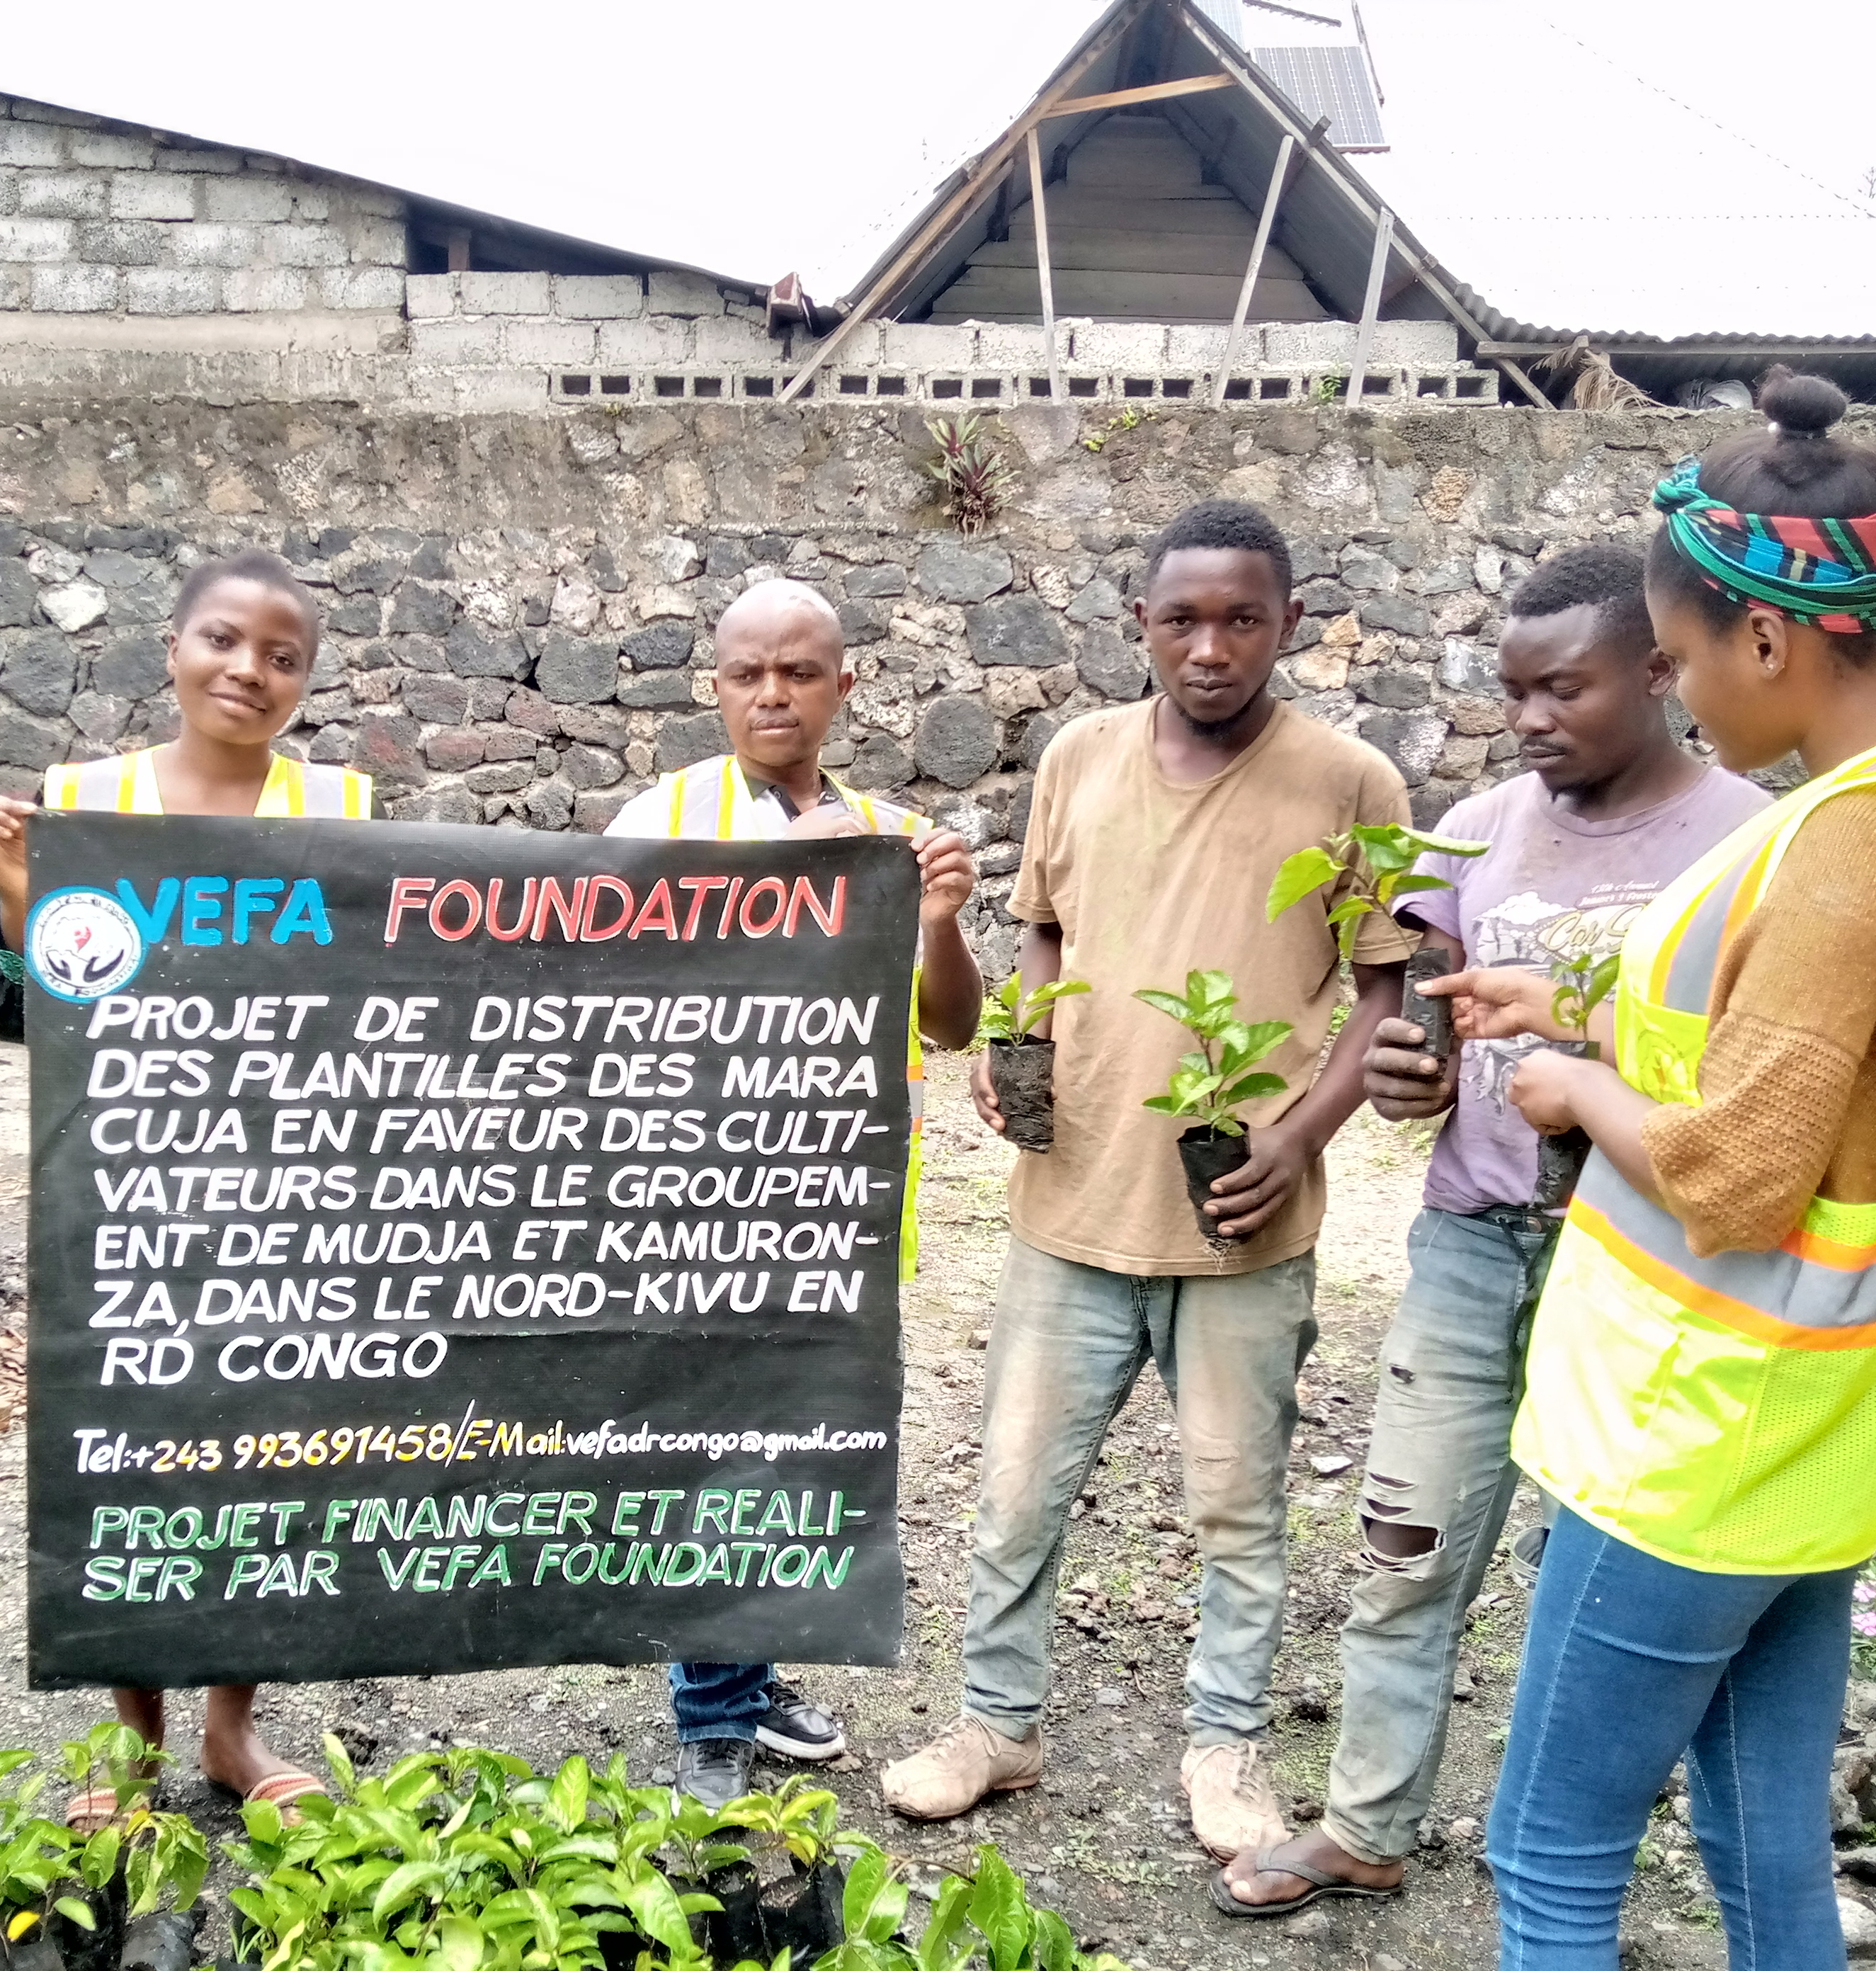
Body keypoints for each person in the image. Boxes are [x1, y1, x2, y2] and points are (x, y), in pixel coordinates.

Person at [1433, 370, 1876, 1971]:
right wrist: (1581, 1004)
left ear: (1772, 635)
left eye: (1688, 660)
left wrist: (1564, 1095)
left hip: (1705, 1440)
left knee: (1551, 1858)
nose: (1683, 697)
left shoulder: (1855, 838)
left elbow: (1738, 1163)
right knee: (1768, 1862)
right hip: (1830, 1441)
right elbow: (1814, 1051)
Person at [1213, 542, 1771, 1919]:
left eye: (1562, 690)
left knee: (1592, 1570)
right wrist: (1407, 1075)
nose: (1530, 721)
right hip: (1471, 1247)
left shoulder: (1746, 843)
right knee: (1407, 1537)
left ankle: (1583, 1850)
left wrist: (1589, 1055)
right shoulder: (1475, 828)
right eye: (1513, 694)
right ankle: (1363, 1822)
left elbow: (1761, 1084)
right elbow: (1413, 1032)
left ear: (1656, 672)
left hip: (1646, 1263)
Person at [882, 499, 1416, 1863]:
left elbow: (1382, 1004)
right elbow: (1047, 944)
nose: (1213, 646)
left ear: (1290, 623)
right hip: (1075, 1200)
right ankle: (998, 1727)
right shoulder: (1078, 759)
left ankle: (1227, 1745)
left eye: (1245, 618)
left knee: (1237, 1503)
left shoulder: (1352, 784)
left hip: (1244, 1210)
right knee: (1014, 1490)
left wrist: (1295, 1144)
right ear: (1141, 625)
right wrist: (1019, 1053)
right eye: (1183, 618)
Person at [0, 547, 367, 1824]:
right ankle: (133, 1741)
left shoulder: (345, 810)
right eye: (223, 641)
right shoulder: (86, 801)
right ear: (173, 647)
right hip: (123, 1184)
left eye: (282, 655)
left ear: (305, 680)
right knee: (129, 1457)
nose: (249, 670)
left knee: (268, 1458)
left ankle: (231, 1731)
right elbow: (34, 1009)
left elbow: (387, 994)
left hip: (294, 1182)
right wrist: (24, 898)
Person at [602, 579, 981, 1807]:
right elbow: (592, 978)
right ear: (712, 685)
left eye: (800, 673)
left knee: (793, 1446)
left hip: (838, 1203)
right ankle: (710, 1708)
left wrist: (933, 922)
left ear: (844, 687)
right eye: (749, 674)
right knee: (711, 1442)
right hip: (699, 1192)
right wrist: (766, 872)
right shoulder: (661, 817)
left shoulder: (888, 830)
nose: (774, 694)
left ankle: (744, 1678)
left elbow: (951, 1022)